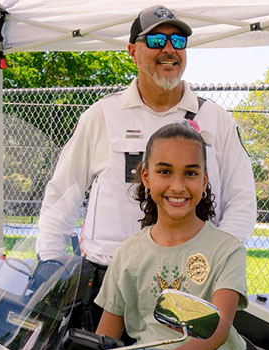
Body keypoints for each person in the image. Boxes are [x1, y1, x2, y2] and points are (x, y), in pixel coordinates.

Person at [35, 5, 255, 330]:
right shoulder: (103, 114)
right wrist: (50, 258)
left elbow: (242, 200)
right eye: (156, 40)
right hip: (106, 282)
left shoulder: (215, 120)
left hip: (185, 288)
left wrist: (213, 261)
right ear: (132, 51)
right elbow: (63, 191)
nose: (169, 50)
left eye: (178, 41)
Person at [51, 122, 248, 350]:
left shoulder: (226, 249)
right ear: (146, 176)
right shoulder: (129, 251)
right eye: (165, 171)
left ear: (204, 180)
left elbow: (220, 326)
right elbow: (108, 340)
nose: (178, 185)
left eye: (190, 173)